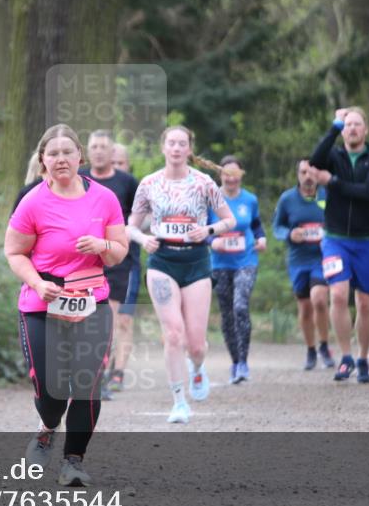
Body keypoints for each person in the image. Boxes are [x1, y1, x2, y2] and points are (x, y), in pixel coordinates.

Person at [5, 124, 128, 486]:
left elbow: (119, 251)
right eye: (53, 153)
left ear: (80, 157)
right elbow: (14, 252)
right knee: (50, 387)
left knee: (87, 384)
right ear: (43, 160)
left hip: (91, 301)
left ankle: (73, 461)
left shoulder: (104, 199)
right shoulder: (33, 200)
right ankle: (46, 428)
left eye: (67, 152)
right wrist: (37, 282)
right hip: (43, 302)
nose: (61, 159)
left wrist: (103, 247)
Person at [127, 126, 236, 424]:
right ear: (163, 148)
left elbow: (230, 220)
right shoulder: (149, 184)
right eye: (171, 143)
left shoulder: (204, 183)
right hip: (162, 261)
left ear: (189, 149)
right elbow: (131, 225)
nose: (176, 148)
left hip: (197, 262)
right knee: (173, 333)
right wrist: (142, 239)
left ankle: (197, 368)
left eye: (182, 144)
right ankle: (179, 402)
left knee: (196, 344)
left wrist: (208, 230)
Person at [308, 107, 369, 384]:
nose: (352, 128)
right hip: (336, 239)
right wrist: (333, 126)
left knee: (365, 303)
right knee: (338, 295)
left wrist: (333, 182)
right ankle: (345, 357)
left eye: (357, 124)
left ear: (366, 130)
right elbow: (314, 161)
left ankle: (363, 357)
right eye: (347, 125)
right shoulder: (334, 155)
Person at [80, 132, 138, 399]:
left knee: (108, 322)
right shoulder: (79, 178)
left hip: (116, 261)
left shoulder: (127, 182)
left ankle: (100, 379)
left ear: (112, 151)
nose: (99, 151)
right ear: (87, 151)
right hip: (81, 260)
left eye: (104, 147)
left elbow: (141, 216)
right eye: (94, 147)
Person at [204, 156, 266, 384]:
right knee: (228, 314)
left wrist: (261, 238)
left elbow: (256, 224)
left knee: (240, 306)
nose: (231, 178)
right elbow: (201, 231)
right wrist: (212, 242)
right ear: (220, 175)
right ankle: (235, 360)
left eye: (235, 174)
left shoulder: (249, 199)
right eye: (226, 174)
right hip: (220, 264)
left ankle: (244, 362)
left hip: (246, 260)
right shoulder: (211, 199)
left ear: (241, 176)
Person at [272, 158, 336, 370]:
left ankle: (325, 346)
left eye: (311, 173)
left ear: (318, 175)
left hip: (322, 257)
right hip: (298, 260)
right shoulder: (287, 199)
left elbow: (342, 220)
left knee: (319, 298)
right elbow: (277, 228)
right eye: (303, 173)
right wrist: (290, 234)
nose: (307, 177)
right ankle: (311, 350)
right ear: (298, 175)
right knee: (305, 307)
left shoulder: (328, 195)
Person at [108, 143, 141, 392]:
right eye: (114, 162)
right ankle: (103, 367)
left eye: (121, 163)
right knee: (103, 319)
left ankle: (118, 372)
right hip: (101, 262)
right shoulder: (96, 184)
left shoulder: (132, 185)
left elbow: (146, 218)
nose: (117, 167)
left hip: (128, 264)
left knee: (124, 320)